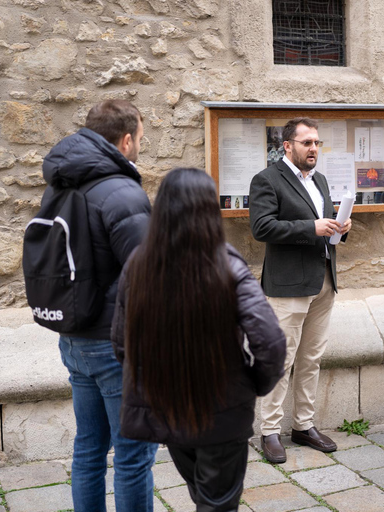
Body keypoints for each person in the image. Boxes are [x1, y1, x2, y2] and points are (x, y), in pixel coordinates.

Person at [112, 168, 286, 511]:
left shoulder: (139, 264)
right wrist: (254, 384)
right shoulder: (227, 265)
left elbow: (121, 343)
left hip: (170, 409)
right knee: (216, 502)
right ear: (209, 209)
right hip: (222, 410)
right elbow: (271, 342)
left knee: (203, 495)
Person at [41, 100, 157, 511]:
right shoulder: (122, 190)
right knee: (133, 454)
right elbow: (149, 274)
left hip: (73, 336)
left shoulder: (59, 182)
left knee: (89, 448)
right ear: (126, 140)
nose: (141, 146)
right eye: (141, 138)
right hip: (115, 343)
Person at [249, 117, 352, 464]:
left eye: (317, 143)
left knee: (310, 358)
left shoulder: (320, 180)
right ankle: (269, 431)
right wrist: (312, 226)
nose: (313, 149)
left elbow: (325, 228)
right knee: (281, 360)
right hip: (288, 284)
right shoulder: (267, 179)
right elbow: (262, 227)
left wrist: (340, 227)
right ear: (287, 145)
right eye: (307, 143)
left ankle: (303, 426)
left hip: (324, 279)